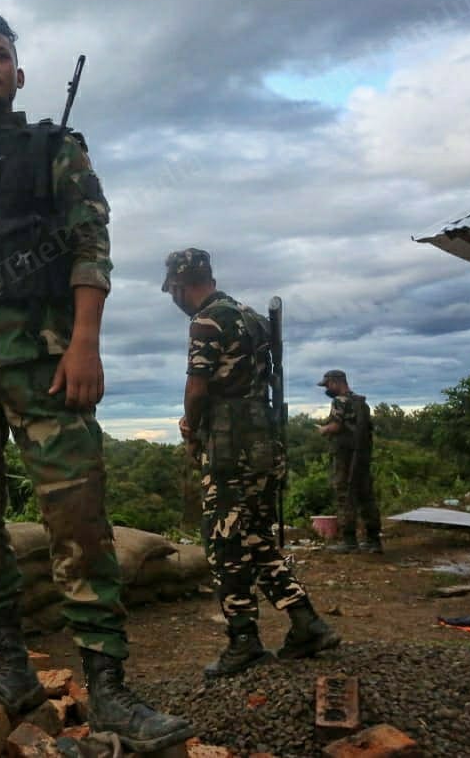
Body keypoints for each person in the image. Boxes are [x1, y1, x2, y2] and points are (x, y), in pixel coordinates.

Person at [0, 10, 194, 753]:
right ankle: (14, 667)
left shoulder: (56, 150)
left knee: (78, 514)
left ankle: (110, 686)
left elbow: (92, 243)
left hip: (46, 355)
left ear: (19, 74)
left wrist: (85, 343)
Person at [163, 248, 341, 677]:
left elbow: (198, 387)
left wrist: (191, 427)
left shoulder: (205, 321)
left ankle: (244, 641)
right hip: (265, 442)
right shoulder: (250, 316)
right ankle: (307, 622)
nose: (174, 299)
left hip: (229, 448)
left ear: (183, 286)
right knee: (258, 539)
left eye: (173, 291)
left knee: (224, 544)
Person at [317, 369, 382, 553]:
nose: (327, 388)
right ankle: (373, 540)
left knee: (344, 495)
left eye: (328, 384)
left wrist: (324, 430)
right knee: (366, 495)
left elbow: (337, 426)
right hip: (362, 455)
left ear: (337, 382)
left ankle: (349, 540)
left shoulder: (339, 401)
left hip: (345, 457)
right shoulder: (360, 402)